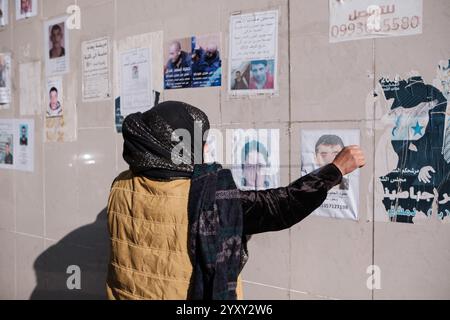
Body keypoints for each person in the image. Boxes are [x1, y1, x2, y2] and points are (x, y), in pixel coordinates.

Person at [106, 101, 366, 300]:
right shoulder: (206, 197)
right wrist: (335, 170)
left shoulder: (120, 184)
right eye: (200, 141)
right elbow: (281, 205)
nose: (206, 148)